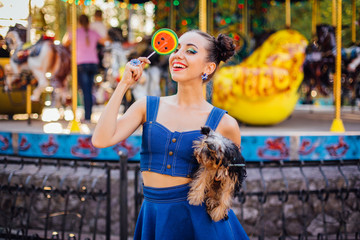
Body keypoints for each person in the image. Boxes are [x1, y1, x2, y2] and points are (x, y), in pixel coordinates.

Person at [92, 30, 249, 239]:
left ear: (208, 67)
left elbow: (228, 184)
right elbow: (101, 139)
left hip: (200, 225)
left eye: (190, 51)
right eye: (176, 49)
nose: (178, 55)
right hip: (154, 218)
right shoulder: (147, 107)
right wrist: (123, 85)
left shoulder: (225, 123)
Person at [63, 14, 105, 122]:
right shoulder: (93, 33)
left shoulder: (75, 32)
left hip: (81, 63)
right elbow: (104, 41)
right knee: (89, 90)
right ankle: (88, 114)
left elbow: (65, 43)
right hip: (93, 63)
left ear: (79, 22)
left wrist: (69, 32)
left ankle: (87, 116)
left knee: (85, 90)